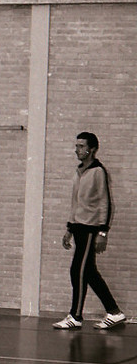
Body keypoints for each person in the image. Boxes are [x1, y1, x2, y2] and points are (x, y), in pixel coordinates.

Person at [53, 132, 125, 330]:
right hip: (78, 227)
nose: (77, 150)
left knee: (78, 270)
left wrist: (103, 232)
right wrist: (69, 229)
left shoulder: (98, 171)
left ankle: (76, 316)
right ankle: (114, 312)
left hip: (90, 229)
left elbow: (106, 202)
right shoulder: (79, 171)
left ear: (92, 149)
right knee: (89, 272)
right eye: (76, 146)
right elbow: (75, 203)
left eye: (81, 146)